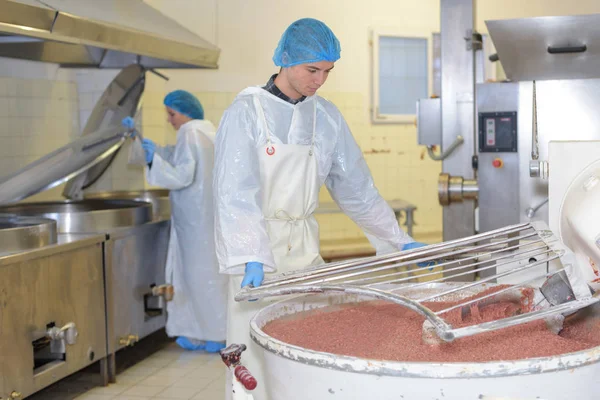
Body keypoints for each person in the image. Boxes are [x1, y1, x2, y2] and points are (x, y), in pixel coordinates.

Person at [213, 19, 430, 399]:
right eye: (312, 69)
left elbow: (357, 191)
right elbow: (234, 192)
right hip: (257, 262)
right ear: (284, 59)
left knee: (303, 355)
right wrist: (250, 255)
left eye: (328, 71)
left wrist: (399, 239)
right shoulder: (246, 112)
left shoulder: (326, 117)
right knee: (255, 363)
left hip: (305, 254)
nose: (320, 80)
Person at [122, 90, 227, 352]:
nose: (170, 120)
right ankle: (206, 332)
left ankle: (207, 333)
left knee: (194, 277)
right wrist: (151, 148)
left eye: (172, 114)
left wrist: (152, 160)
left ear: (185, 112)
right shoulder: (206, 132)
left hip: (194, 222)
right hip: (205, 219)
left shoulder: (189, 132)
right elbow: (178, 157)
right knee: (208, 277)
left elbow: (181, 175)